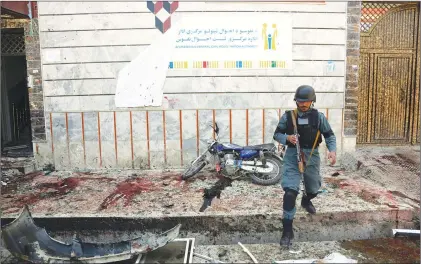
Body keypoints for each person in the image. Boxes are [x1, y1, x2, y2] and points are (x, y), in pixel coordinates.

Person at [273, 85, 337, 248]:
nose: (302, 104)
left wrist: (332, 150)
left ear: (312, 101)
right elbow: (277, 134)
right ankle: (287, 231)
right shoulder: (288, 117)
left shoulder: (319, 117)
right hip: (292, 156)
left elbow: (329, 135)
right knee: (289, 193)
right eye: (300, 101)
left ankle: (306, 200)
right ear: (296, 101)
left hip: (312, 155)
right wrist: (287, 138)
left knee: (313, 189)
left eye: (306, 102)